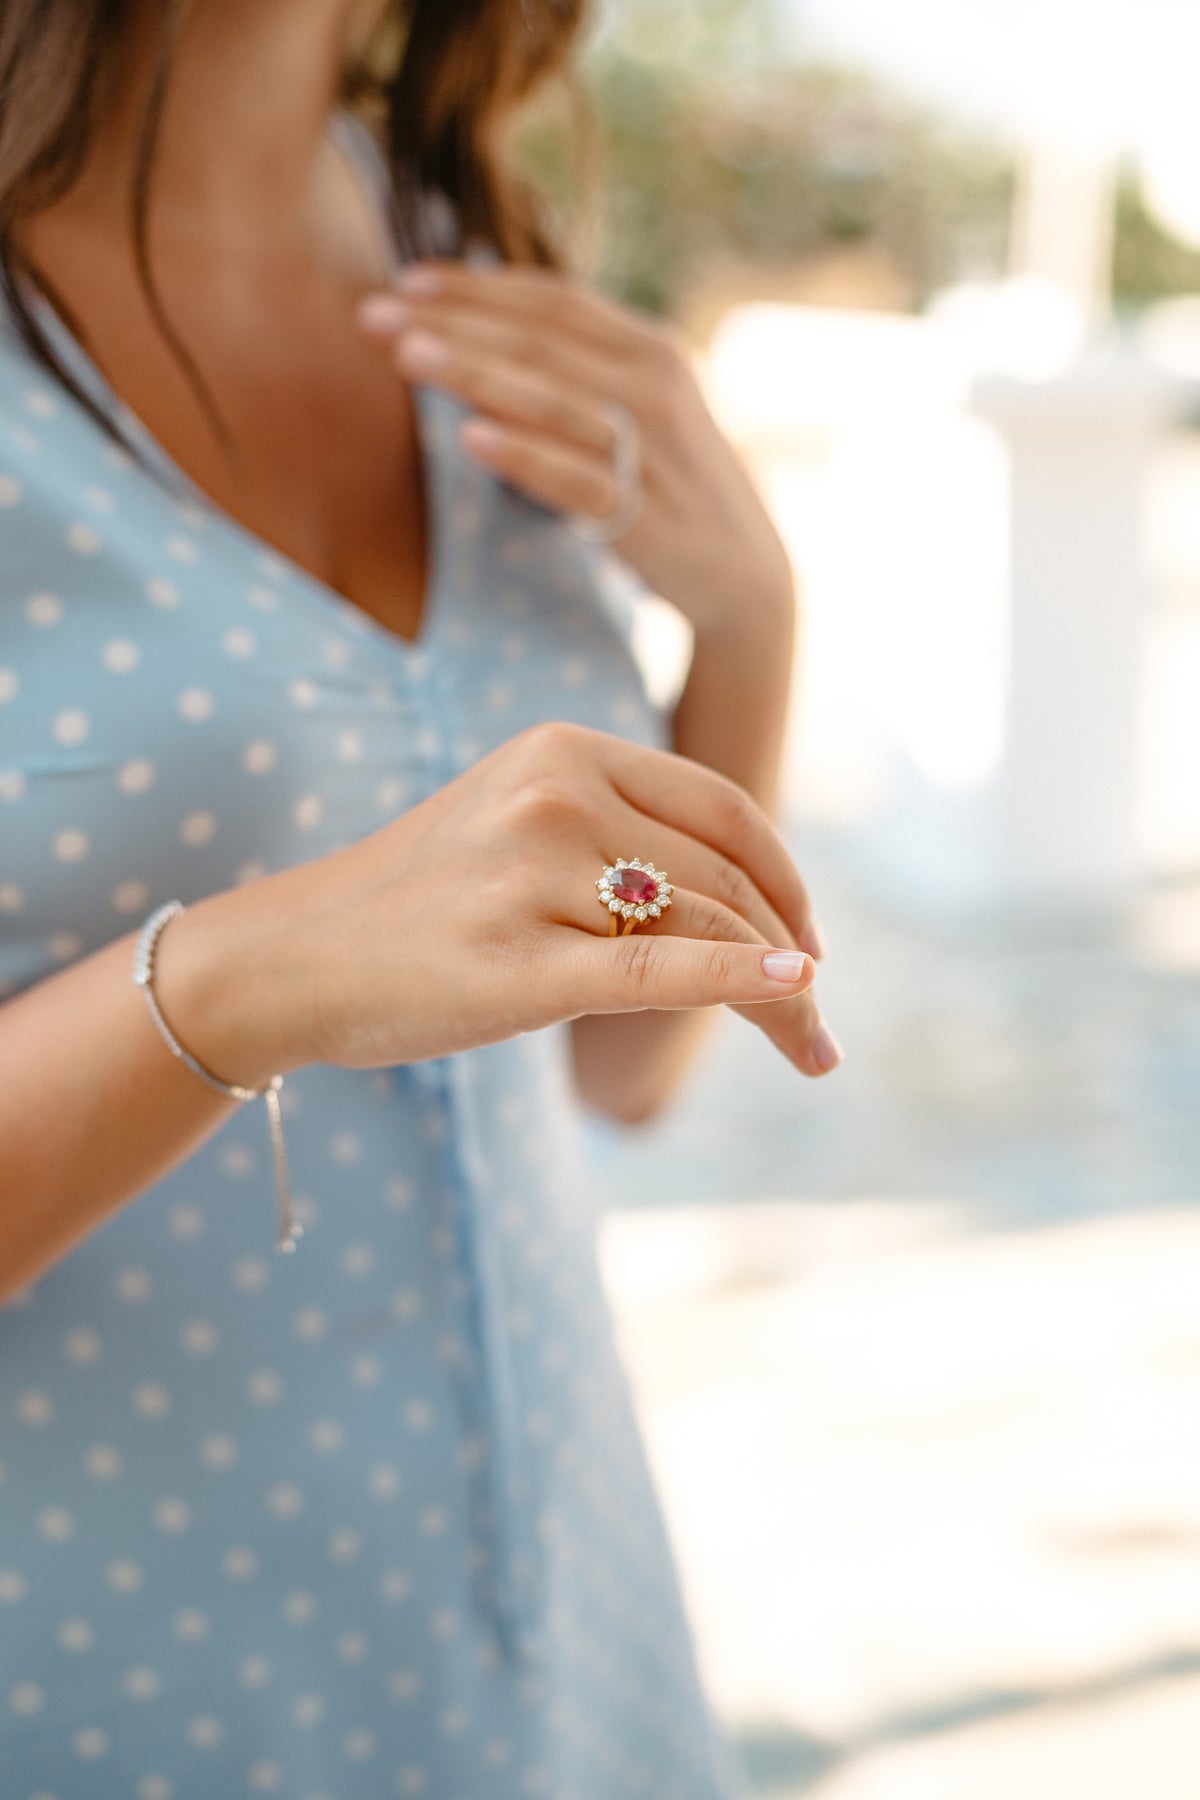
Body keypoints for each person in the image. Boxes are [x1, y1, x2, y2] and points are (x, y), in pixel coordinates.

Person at [0, 1, 841, 1794]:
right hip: (120, 1690)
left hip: (562, 1651)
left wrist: (747, 629)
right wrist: (232, 981)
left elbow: (620, 1074)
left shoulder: (464, 250)